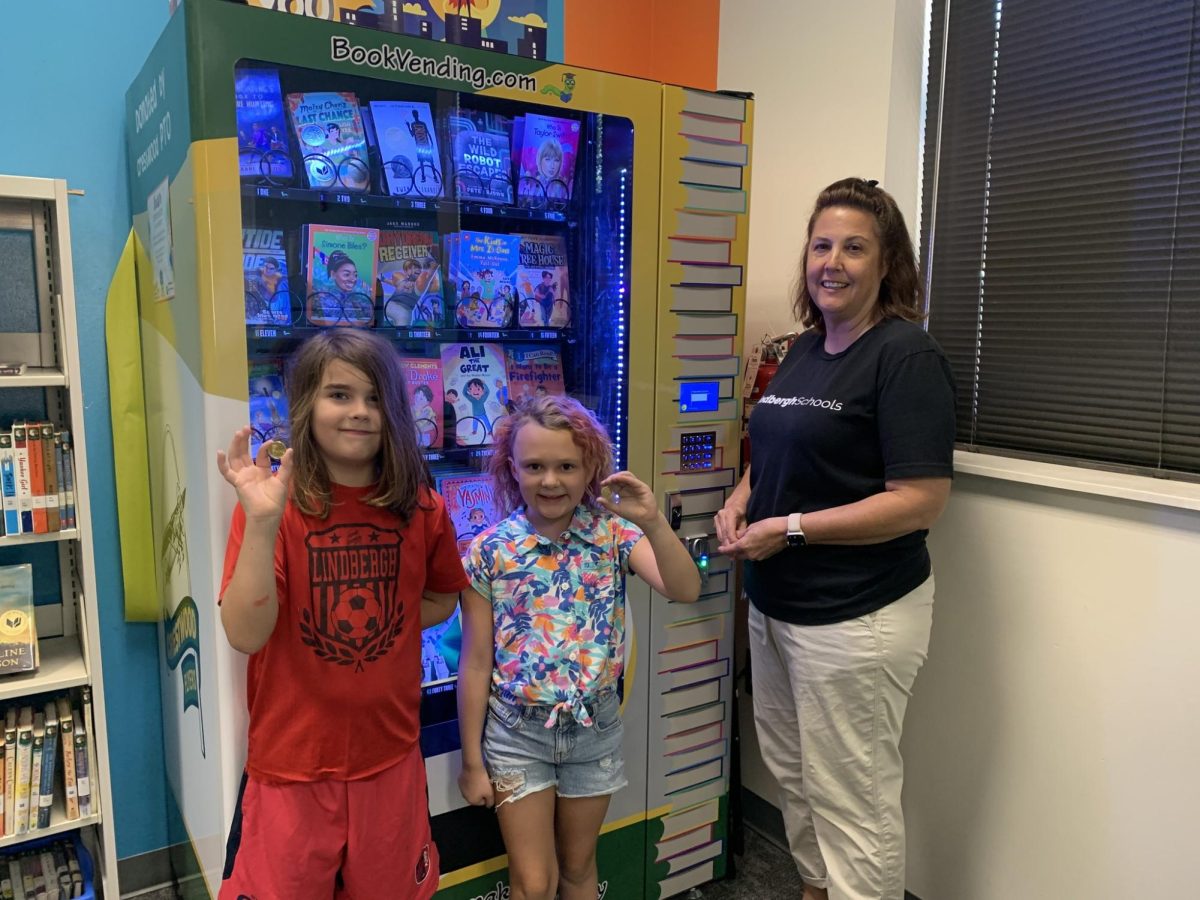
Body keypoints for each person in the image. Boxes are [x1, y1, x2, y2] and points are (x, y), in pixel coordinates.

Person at [714, 177, 955, 900]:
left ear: (888, 263)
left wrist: (788, 530)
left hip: (857, 616)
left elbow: (919, 502)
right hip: (777, 605)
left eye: (855, 247)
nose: (833, 262)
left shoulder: (905, 357)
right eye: (822, 245)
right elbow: (778, 454)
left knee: (855, 799)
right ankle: (816, 890)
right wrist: (740, 502)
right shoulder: (805, 349)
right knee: (793, 773)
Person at [216, 329, 468, 900]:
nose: (359, 412)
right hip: (292, 766)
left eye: (375, 398)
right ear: (306, 405)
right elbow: (245, 632)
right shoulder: (273, 506)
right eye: (340, 395)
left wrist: (385, 626)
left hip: (391, 761)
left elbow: (441, 598)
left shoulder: (422, 506)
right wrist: (259, 522)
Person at [457, 394, 701, 900]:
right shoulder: (488, 550)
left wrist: (653, 520)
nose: (551, 480)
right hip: (516, 734)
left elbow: (684, 588)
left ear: (590, 467)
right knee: (533, 881)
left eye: (567, 466)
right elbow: (476, 661)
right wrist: (472, 761)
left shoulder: (615, 535)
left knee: (578, 868)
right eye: (535, 466)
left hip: (595, 731)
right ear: (512, 469)